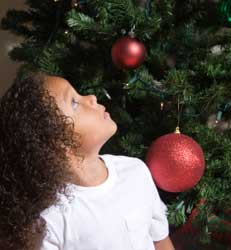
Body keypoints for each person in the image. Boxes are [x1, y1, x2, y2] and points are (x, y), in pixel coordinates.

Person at [0, 70, 175, 250]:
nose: (91, 97)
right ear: (54, 141)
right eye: (74, 102)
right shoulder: (51, 221)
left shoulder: (135, 171)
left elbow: (160, 240)